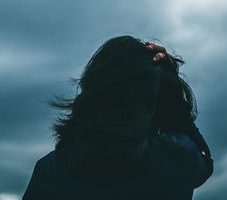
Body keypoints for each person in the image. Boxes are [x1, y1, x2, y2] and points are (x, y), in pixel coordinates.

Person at [22, 35, 213, 200]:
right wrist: (170, 79)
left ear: (92, 91)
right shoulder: (178, 159)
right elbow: (205, 160)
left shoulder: (51, 170)